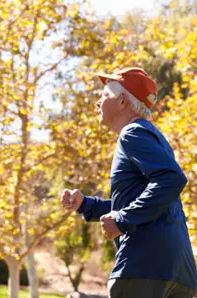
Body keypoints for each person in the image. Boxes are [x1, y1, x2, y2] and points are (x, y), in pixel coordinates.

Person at [60, 68, 197, 298]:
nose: (97, 103)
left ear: (122, 101)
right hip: (178, 273)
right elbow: (146, 199)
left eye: (103, 96)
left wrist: (123, 220)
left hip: (145, 268)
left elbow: (171, 180)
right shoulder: (154, 137)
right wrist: (86, 205)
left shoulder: (132, 133)